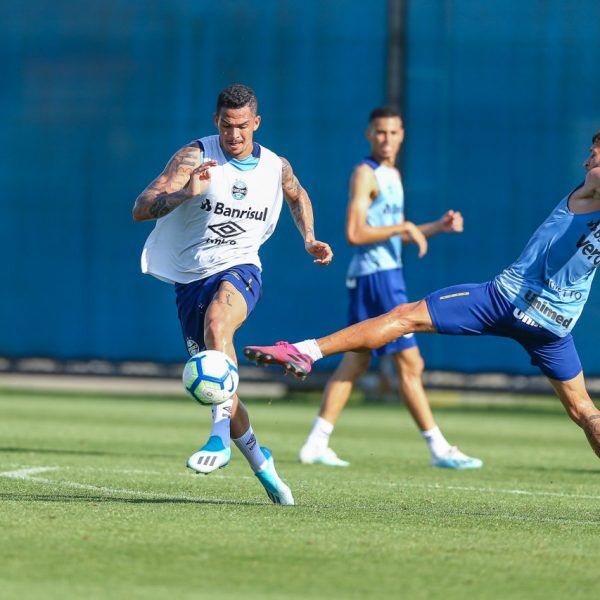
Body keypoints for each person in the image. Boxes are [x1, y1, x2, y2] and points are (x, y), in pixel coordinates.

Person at [244, 131, 600, 461]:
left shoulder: (592, 185)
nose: (587, 162)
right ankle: (355, 436)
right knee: (584, 411)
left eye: (593, 154)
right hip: (554, 326)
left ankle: (306, 351)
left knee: (402, 318)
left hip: (506, 300)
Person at [133, 84, 333, 505]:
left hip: (241, 268)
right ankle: (263, 464)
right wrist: (184, 195)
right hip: (190, 282)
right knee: (222, 384)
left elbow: (298, 195)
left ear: (256, 124)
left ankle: (217, 437)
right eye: (227, 126)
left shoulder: (275, 166)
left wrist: (310, 239)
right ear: (216, 123)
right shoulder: (194, 157)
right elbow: (141, 207)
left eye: (242, 126)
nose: (234, 135)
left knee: (218, 321)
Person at [297, 107, 482, 470]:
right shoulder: (365, 174)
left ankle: (316, 443)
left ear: (402, 135)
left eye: (393, 133)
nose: (387, 139)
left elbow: (393, 232)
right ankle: (439, 447)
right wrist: (404, 228)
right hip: (377, 278)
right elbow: (355, 233)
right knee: (411, 363)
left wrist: (436, 227)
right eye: (380, 132)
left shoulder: (392, 174)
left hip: (383, 273)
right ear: (369, 134)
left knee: (355, 360)